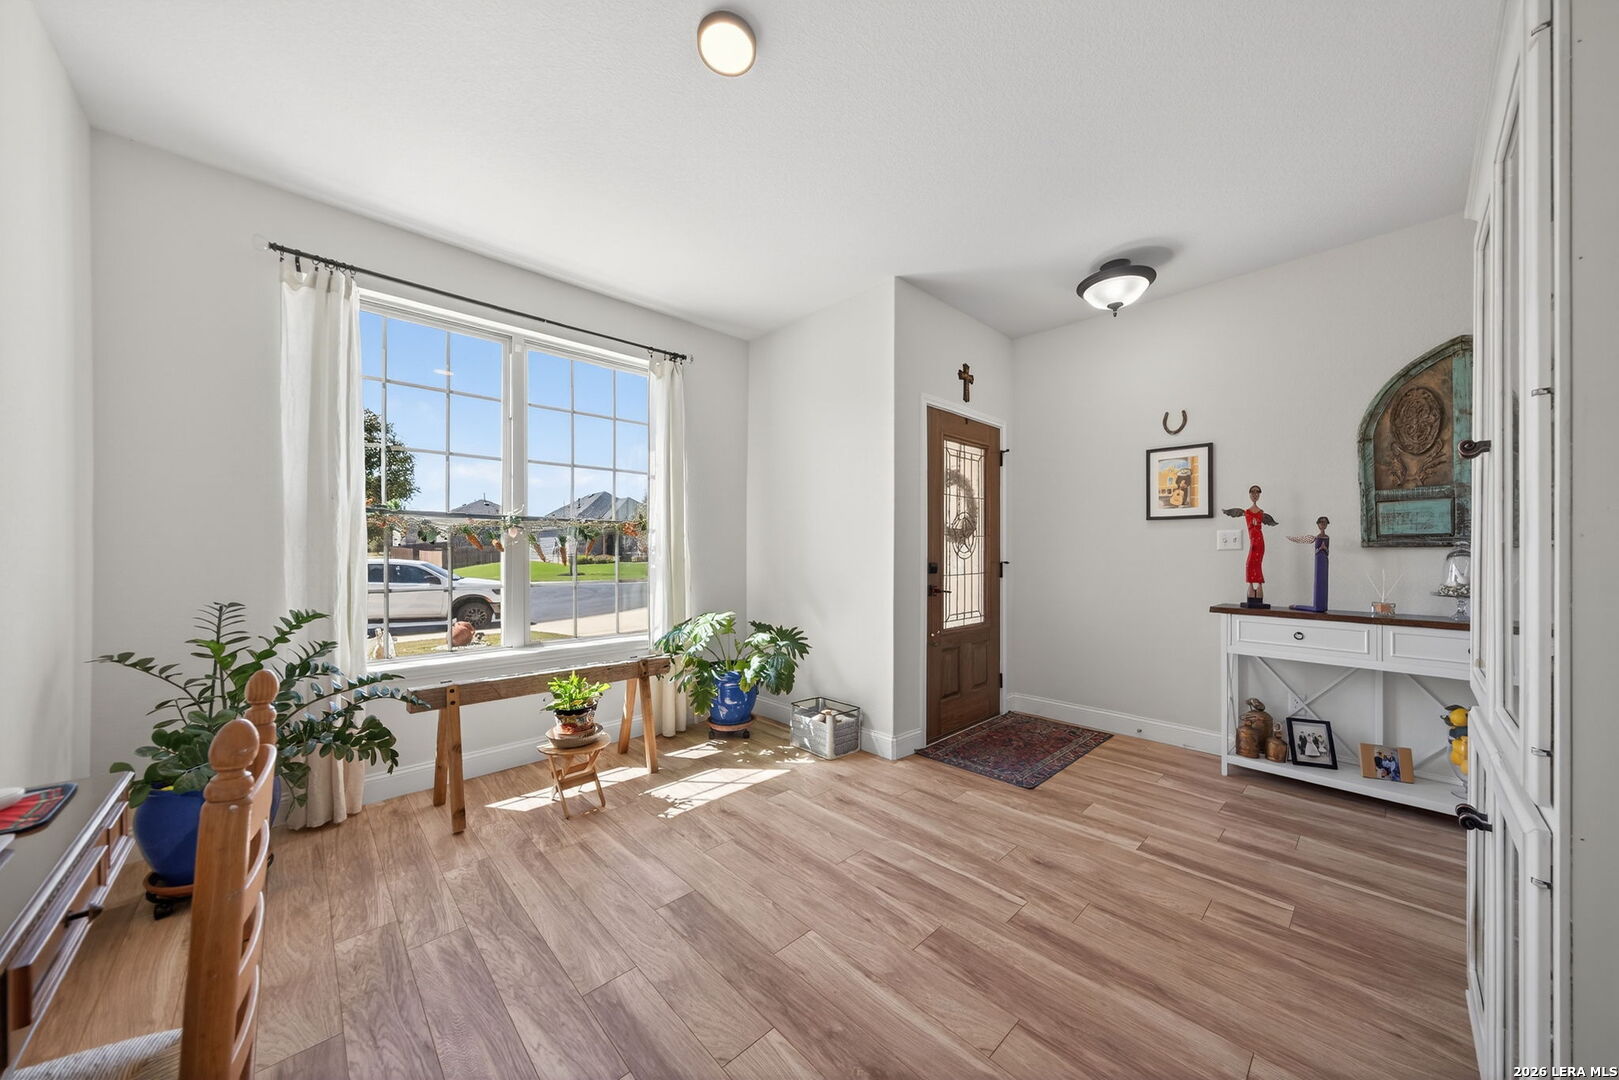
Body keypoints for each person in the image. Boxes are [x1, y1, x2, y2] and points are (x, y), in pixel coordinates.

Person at [1223, 485, 1278, 608]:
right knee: (1250, 564)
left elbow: (1260, 526)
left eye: (1257, 492)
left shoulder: (1261, 513)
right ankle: (1253, 588)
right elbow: (1250, 525)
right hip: (1253, 541)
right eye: (1252, 492)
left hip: (1258, 542)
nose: (1255, 494)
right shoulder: (1246, 512)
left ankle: (1258, 586)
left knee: (1254, 564)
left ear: (1259, 494)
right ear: (1249, 494)